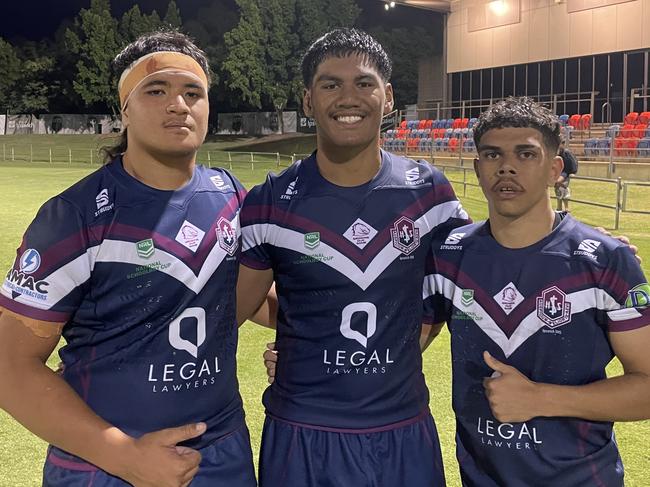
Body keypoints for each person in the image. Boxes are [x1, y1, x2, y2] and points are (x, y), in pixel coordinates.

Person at [0, 31, 256, 487]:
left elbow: (245, 299)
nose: (178, 105)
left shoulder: (231, 197)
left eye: (192, 93)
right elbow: (9, 365)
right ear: (124, 109)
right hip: (107, 467)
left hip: (222, 454)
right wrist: (125, 456)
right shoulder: (74, 216)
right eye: (156, 91)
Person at [237, 28, 470, 486]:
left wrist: (578, 242)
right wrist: (308, 340)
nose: (348, 98)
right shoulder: (272, 200)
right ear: (307, 101)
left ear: (387, 98)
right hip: (302, 431)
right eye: (330, 84)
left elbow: (457, 285)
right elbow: (235, 308)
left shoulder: (429, 193)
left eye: (364, 83)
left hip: (402, 430)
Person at [423, 97, 650, 486]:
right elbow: (397, 344)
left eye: (526, 153)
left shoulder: (604, 262)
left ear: (555, 169)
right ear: (478, 168)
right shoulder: (449, 255)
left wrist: (542, 399)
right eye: (493, 154)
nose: (507, 166)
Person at [554, 138, 578, 212]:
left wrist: (573, 172)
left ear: (563, 144)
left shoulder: (566, 153)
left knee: (561, 186)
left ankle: (566, 207)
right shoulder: (557, 152)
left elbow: (573, 162)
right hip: (559, 171)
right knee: (557, 187)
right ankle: (559, 207)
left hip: (565, 172)